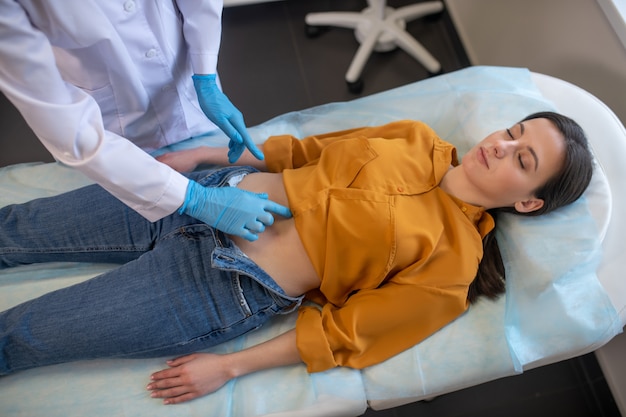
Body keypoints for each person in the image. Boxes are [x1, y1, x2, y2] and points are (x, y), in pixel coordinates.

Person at [0, 112, 593, 405]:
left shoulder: (452, 265)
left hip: (216, 286)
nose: (502, 145)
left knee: (25, 333)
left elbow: (347, 334)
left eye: (524, 159)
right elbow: (305, 150)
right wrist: (197, 159)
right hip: (203, 196)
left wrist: (230, 367)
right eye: (515, 132)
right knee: (16, 227)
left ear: (529, 199)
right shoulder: (414, 137)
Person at [0, 0, 281, 241]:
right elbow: (65, 124)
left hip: (183, 78)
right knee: (21, 231)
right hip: (109, 117)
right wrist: (193, 197)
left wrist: (204, 73)